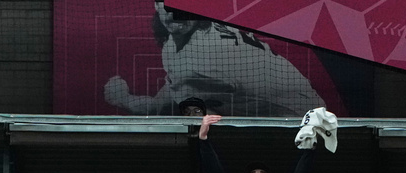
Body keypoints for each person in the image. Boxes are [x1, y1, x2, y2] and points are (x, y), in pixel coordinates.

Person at [104, 2, 324, 117]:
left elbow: (160, 108)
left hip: (299, 120)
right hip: (292, 106)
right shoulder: (188, 39)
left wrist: (121, 99)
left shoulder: (197, 64)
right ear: (155, 5)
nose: (172, 14)